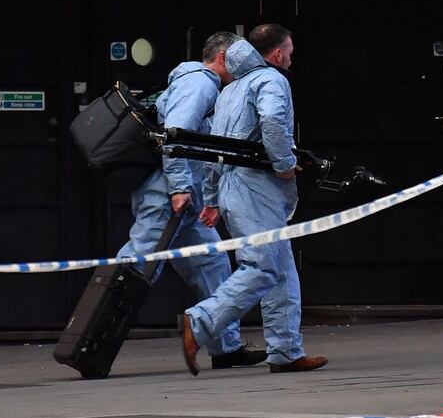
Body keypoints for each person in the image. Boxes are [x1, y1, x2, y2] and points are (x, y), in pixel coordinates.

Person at [181, 25, 328, 375]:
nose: (291, 56)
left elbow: (216, 149)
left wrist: (215, 199)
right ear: (277, 54)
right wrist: (285, 165)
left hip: (234, 187)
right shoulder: (272, 81)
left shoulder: (230, 90)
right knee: (262, 267)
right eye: (289, 50)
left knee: (280, 268)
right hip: (256, 188)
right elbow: (274, 122)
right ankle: (199, 322)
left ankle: (286, 350)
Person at [116, 31, 266, 369]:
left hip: (185, 199)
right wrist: (180, 188)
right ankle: (89, 336)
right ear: (224, 57)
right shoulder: (200, 84)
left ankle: (226, 348)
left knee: (212, 264)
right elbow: (177, 135)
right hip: (170, 196)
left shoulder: (199, 84)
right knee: (135, 268)